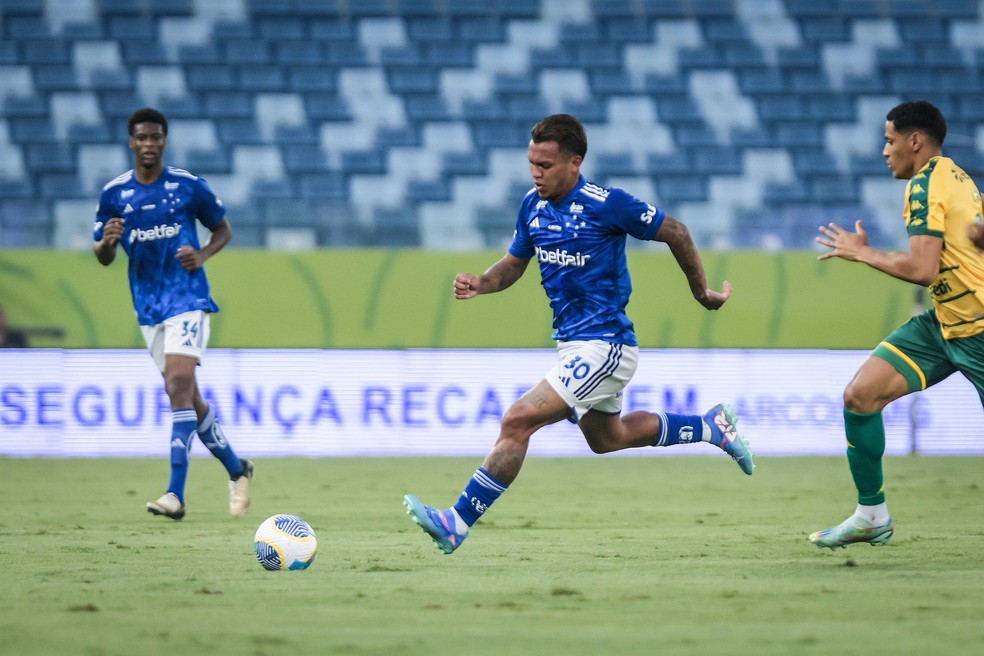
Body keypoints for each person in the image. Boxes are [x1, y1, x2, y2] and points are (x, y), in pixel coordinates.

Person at [403, 114, 754, 554]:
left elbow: (677, 232)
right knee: (608, 439)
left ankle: (457, 520)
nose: (536, 172)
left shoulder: (607, 204)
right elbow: (514, 263)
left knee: (517, 419)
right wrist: (481, 282)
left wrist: (701, 292)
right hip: (573, 346)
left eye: (545, 165)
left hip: (606, 345)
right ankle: (709, 426)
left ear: (575, 163)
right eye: (531, 163)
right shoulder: (532, 205)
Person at [812, 100, 984, 549]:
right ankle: (871, 515)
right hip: (946, 323)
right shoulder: (959, 176)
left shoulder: (927, 185)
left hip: (980, 329)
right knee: (860, 395)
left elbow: (923, 269)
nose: (885, 151)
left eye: (889, 141)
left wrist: (861, 252)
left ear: (915, 142)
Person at [93, 107, 253, 521]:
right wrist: (107, 243)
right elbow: (104, 256)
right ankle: (238, 468)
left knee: (179, 382)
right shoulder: (114, 194)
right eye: (141, 138)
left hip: (188, 298)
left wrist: (201, 255)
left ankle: (175, 493)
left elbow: (223, 230)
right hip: (149, 307)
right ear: (131, 142)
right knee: (185, 396)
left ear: (164, 140)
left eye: (155, 137)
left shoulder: (187, 187)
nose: (149, 144)